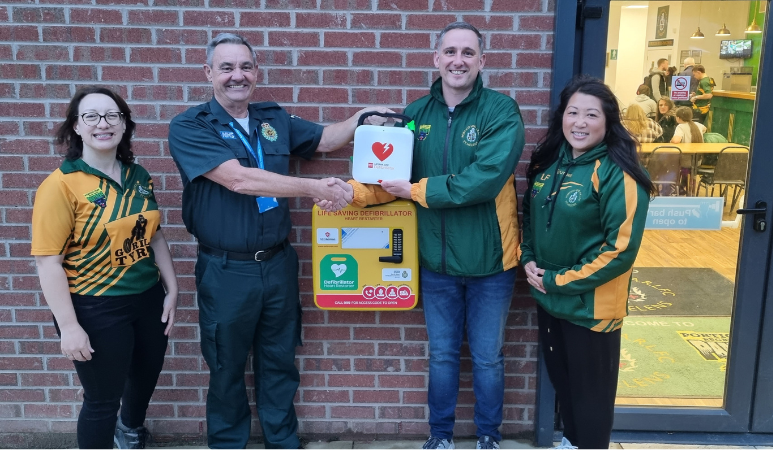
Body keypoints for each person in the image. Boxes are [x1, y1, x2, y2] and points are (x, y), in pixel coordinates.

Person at [167, 33, 392, 449]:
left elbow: (324, 139)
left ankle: (283, 442)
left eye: (246, 67)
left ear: (256, 72)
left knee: (279, 361)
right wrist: (313, 188)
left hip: (277, 264)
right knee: (226, 366)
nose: (238, 76)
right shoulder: (189, 126)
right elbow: (237, 178)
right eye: (227, 67)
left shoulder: (273, 119)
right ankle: (229, 444)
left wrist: (360, 119)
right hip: (226, 270)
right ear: (208, 73)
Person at [344, 22, 525, 450]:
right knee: (442, 356)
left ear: (482, 61)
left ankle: (488, 436)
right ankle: (439, 436)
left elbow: (482, 179)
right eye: (450, 52)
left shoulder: (501, 112)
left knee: (487, 358)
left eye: (468, 53)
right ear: (436, 59)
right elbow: (390, 177)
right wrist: (348, 193)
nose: (458, 60)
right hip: (436, 262)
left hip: (491, 262)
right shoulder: (416, 114)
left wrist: (418, 191)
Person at [32, 87, 179, 449]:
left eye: (113, 115)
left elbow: (154, 236)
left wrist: (172, 289)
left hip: (147, 299)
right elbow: (48, 261)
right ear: (76, 128)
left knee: (145, 379)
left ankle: (129, 432)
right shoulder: (61, 185)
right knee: (102, 400)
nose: (104, 123)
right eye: (92, 116)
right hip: (95, 305)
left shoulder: (138, 175)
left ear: (125, 124)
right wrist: (69, 327)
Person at [521, 76, 653, 449]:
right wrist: (528, 259)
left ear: (608, 122)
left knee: (591, 398)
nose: (579, 122)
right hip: (549, 298)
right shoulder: (549, 163)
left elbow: (620, 250)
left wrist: (559, 281)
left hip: (592, 307)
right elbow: (530, 220)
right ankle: (572, 442)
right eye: (572, 112)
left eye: (591, 115)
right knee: (566, 386)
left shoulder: (618, 173)